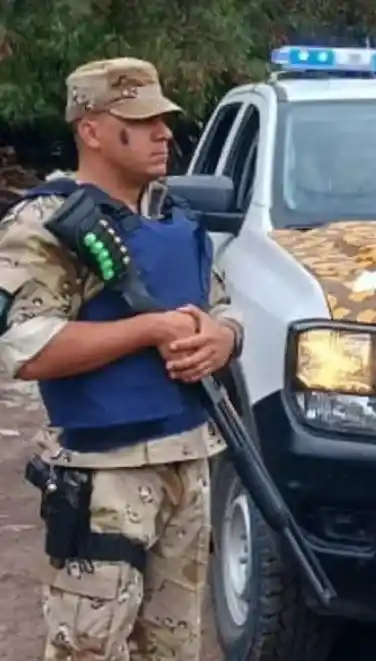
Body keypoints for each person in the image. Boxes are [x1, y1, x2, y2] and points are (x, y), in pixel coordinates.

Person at [0, 57, 243, 660]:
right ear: (91, 130)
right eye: (141, 121)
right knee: (90, 648)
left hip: (188, 458)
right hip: (105, 472)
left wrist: (224, 337)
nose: (163, 133)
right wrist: (147, 329)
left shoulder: (172, 215)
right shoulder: (47, 223)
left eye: (164, 119)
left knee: (176, 647)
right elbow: (25, 347)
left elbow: (220, 306)